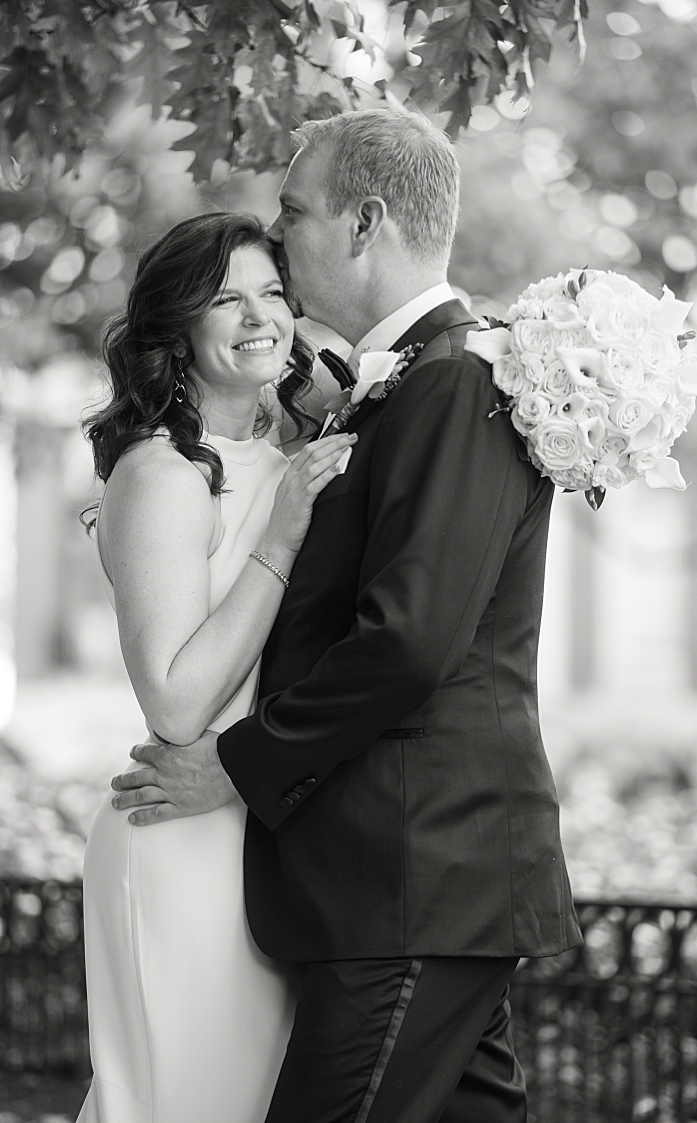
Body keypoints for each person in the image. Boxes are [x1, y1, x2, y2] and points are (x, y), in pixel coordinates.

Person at [109, 108, 581, 1122]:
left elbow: (407, 639)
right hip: (404, 877)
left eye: (293, 216)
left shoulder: (456, 382)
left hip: (417, 874)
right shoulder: (400, 385)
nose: (280, 240)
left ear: (364, 224)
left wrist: (236, 763)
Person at [77, 211, 359, 1122]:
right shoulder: (160, 475)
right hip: (182, 844)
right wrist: (278, 540)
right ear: (177, 329)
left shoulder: (286, 458)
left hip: (261, 834)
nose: (259, 317)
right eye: (225, 298)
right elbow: (175, 698)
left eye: (273, 293)